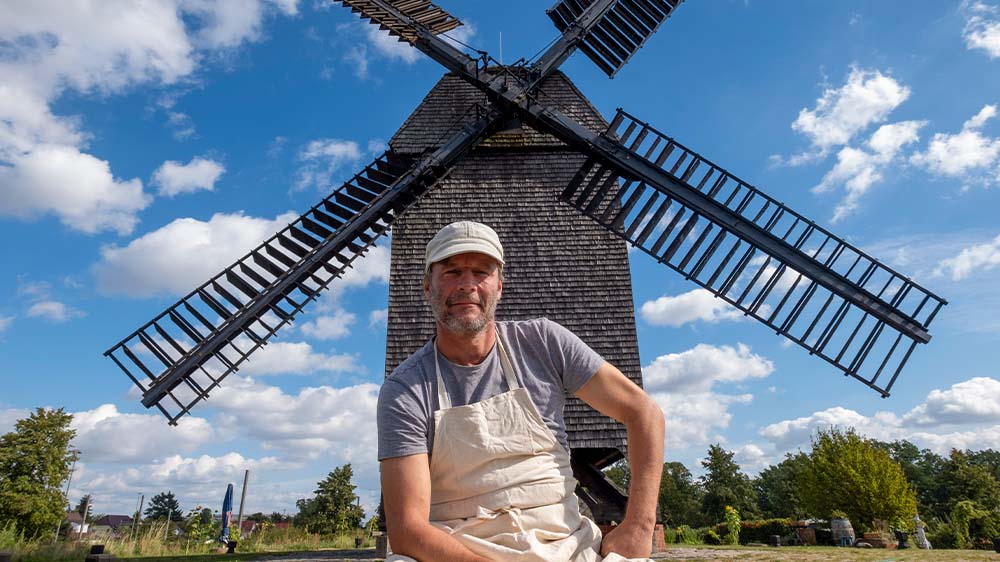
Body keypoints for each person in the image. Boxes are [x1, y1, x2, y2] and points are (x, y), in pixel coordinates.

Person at [377, 221, 665, 562]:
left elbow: (643, 412)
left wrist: (639, 526)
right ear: (428, 286)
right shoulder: (404, 390)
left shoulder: (544, 342)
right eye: (452, 272)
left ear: (499, 286)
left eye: (481, 272)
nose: (466, 284)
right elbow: (408, 529)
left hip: (565, 545)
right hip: (460, 551)